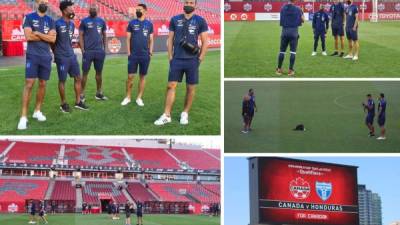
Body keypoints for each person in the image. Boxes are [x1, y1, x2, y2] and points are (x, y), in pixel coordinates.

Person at [154, 0, 208, 126]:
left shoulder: (200, 20)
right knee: (171, 86)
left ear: (195, 5)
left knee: (190, 88)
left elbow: (205, 41)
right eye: (187, 2)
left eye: (191, 2)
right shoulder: (174, 19)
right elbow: (170, 38)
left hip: (192, 60)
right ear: (183, 4)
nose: (189, 4)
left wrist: (200, 59)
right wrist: (170, 57)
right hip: (177, 59)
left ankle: (185, 113)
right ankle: (167, 115)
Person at [17, 0, 56, 130]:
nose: (45, 3)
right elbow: (28, 36)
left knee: (43, 84)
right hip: (33, 55)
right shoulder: (29, 17)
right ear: (37, 2)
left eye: (47, 2)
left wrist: (38, 33)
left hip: (46, 56)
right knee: (29, 83)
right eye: (42, 1)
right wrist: (45, 36)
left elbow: (53, 39)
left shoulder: (50, 20)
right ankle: (23, 116)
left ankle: (37, 111)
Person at [54, 0, 88, 113]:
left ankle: (78, 102)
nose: (73, 10)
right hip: (61, 56)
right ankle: (63, 104)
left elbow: (68, 41)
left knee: (78, 77)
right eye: (71, 8)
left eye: (73, 8)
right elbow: (52, 41)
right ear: (64, 10)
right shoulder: (57, 23)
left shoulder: (72, 24)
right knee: (62, 80)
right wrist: (56, 53)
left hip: (71, 56)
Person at [121, 4, 154, 107]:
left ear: (145, 11)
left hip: (145, 55)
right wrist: (129, 52)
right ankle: (128, 97)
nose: (138, 11)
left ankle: (139, 97)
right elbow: (128, 39)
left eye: (140, 9)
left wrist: (150, 51)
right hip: (133, 55)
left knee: (142, 77)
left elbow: (151, 39)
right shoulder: (131, 23)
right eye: (137, 10)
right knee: (130, 77)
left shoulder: (149, 24)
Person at [79, 4, 108, 102]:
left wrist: (105, 49)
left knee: (99, 73)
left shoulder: (101, 21)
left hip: (99, 51)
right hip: (88, 52)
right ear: (88, 10)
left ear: (98, 10)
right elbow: (81, 36)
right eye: (91, 8)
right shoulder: (84, 21)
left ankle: (99, 93)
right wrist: (83, 49)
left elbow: (104, 35)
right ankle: (81, 94)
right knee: (85, 73)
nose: (92, 10)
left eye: (94, 8)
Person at [276, 0, 304, 76]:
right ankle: (290, 70)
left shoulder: (282, 8)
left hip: (284, 32)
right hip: (294, 33)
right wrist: (302, 12)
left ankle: (279, 69)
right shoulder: (298, 9)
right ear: (294, 1)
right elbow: (303, 20)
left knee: (282, 51)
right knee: (292, 52)